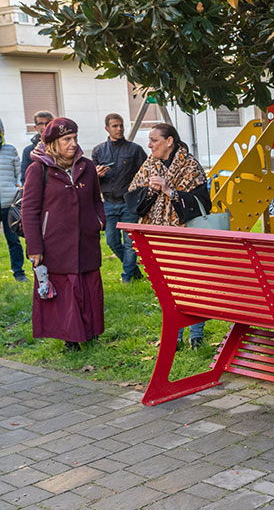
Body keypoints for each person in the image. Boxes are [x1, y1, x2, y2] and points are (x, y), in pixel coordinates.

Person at [22, 118, 106, 351]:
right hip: (55, 244)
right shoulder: (38, 169)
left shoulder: (87, 166)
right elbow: (29, 211)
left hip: (86, 241)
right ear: (53, 143)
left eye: (74, 138)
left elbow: (97, 200)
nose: (72, 144)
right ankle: (71, 338)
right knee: (67, 291)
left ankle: (91, 334)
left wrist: (99, 222)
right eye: (66, 139)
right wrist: (35, 248)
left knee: (89, 287)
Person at [125, 123, 212, 349]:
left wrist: (170, 191)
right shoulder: (149, 165)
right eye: (150, 140)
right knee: (170, 288)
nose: (149, 144)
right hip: (158, 237)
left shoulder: (190, 166)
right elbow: (133, 198)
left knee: (192, 285)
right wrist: (152, 190)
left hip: (185, 237)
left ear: (169, 141)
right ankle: (175, 336)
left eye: (154, 140)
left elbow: (203, 203)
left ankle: (196, 336)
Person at [92, 113, 147, 283]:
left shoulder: (135, 149)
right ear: (107, 128)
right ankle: (135, 272)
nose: (119, 129)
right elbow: (91, 179)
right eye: (115, 126)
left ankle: (127, 278)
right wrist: (97, 176)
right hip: (108, 203)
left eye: (121, 125)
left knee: (130, 244)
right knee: (112, 242)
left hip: (128, 203)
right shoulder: (98, 150)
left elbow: (146, 172)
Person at [0, 119, 27, 282]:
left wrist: (17, 189)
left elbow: (19, 173)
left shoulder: (10, 150)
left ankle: (19, 273)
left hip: (9, 204)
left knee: (13, 240)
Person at [21, 111, 54, 184]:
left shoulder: (64, 146)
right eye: (40, 123)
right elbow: (25, 179)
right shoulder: (28, 151)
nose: (44, 127)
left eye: (47, 123)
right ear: (35, 127)